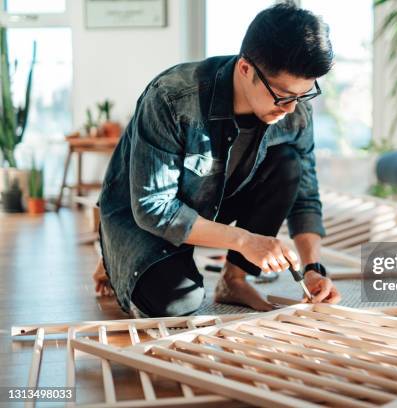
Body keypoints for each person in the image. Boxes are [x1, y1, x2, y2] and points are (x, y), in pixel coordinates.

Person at [93, 2, 341, 317]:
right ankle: (112, 257)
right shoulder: (171, 98)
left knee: (289, 162)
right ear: (245, 69)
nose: (291, 108)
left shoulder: (294, 108)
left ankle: (233, 280)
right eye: (282, 96)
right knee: (175, 303)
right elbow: (153, 208)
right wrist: (244, 240)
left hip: (214, 202)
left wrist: (312, 268)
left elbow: (305, 196)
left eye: (303, 95)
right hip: (144, 219)